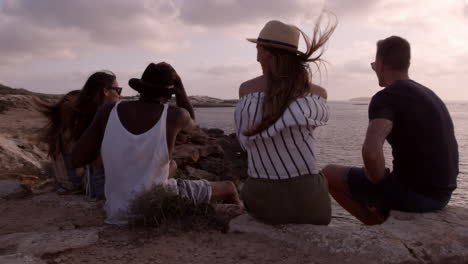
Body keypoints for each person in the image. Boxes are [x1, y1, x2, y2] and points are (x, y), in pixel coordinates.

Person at [71, 62, 240, 225]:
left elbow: (78, 158)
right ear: (168, 95)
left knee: (170, 167)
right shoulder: (175, 116)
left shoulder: (108, 110)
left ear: (141, 88)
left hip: (117, 212)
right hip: (155, 205)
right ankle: (242, 227)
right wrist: (179, 85)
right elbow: (192, 125)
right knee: (229, 187)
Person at [322, 36, 459, 225]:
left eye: (374, 64)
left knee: (329, 174)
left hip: (416, 197)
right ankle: (383, 215)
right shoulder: (429, 94)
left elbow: (371, 152)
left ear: (381, 64)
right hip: (442, 196)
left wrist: (376, 179)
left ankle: (376, 226)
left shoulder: (387, 97)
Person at [234, 15, 337, 225]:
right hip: (309, 200)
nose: (256, 59)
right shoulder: (317, 95)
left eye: (258, 51)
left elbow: (244, 143)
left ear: (266, 52)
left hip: (262, 198)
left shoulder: (246, 91)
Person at [38, 71, 121, 198]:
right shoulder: (88, 120)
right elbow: (97, 163)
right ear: (105, 91)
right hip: (81, 184)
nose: (120, 96)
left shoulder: (76, 117)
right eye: (118, 90)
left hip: (65, 181)